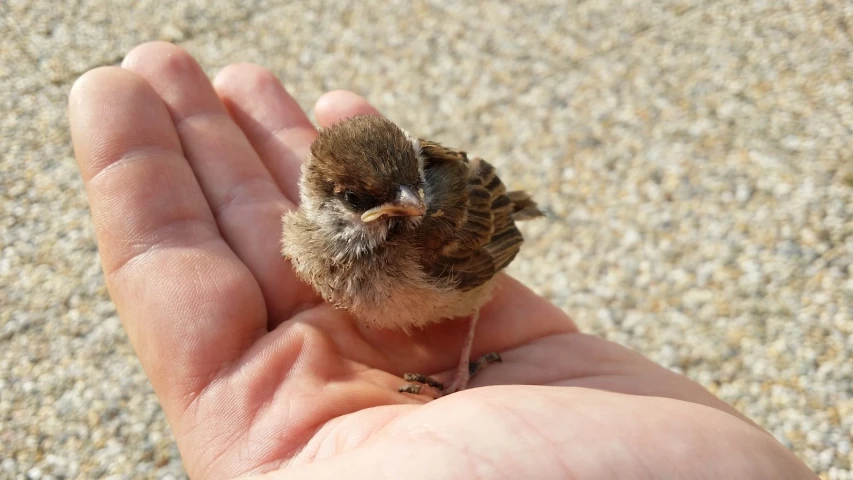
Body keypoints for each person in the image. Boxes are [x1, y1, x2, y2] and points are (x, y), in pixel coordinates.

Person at [67, 42, 815, 479]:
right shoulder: (306, 238)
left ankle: (458, 363)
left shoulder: (430, 230)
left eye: (409, 187)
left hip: (458, 271)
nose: (409, 204)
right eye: (374, 199)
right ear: (322, 196)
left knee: (448, 267)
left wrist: (458, 372)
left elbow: (485, 263)